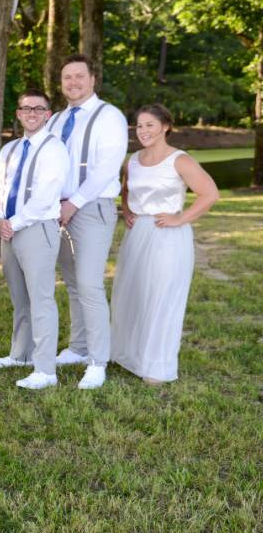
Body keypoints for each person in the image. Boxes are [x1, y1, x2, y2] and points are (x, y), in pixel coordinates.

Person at [111, 104, 218, 384]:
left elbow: (210, 193)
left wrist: (180, 218)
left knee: (162, 298)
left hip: (169, 236)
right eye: (139, 125)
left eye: (149, 125)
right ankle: (130, 355)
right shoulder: (132, 160)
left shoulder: (179, 160)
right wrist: (127, 211)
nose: (143, 130)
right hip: (138, 235)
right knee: (133, 294)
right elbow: (125, 190)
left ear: (165, 127)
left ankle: (157, 365)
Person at [46, 54, 128, 390]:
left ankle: (98, 361)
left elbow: (107, 166)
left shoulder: (109, 116)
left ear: (93, 79)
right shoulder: (55, 120)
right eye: (67, 77)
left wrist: (74, 203)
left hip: (91, 209)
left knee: (91, 284)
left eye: (80, 76)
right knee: (73, 282)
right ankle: (78, 347)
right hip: (57, 211)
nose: (73, 82)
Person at [0, 90, 69, 389]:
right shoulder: (8, 150)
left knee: (41, 298)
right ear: (19, 113)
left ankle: (45, 370)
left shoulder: (54, 149)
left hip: (37, 229)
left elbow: (46, 194)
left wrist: (13, 223)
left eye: (38, 108)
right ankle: (20, 354)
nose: (31, 113)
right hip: (9, 229)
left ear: (48, 114)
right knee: (19, 297)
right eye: (25, 108)